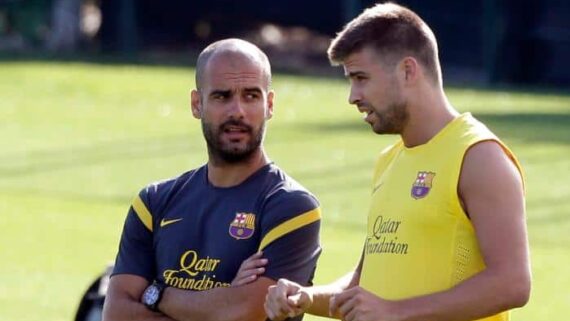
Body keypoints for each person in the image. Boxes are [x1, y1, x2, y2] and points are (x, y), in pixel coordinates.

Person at [264, 3, 531, 321]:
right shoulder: (389, 161)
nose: (353, 95)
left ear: (407, 70)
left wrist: (395, 312)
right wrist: (306, 296)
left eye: (361, 78)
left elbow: (512, 283)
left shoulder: (478, 156)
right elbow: (362, 288)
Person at [102, 38, 322, 321]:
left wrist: (156, 293)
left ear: (269, 104)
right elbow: (117, 313)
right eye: (222, 96)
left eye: (251, 96)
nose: (237, 111)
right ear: (197, 104)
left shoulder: (291, 207)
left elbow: (246, 310)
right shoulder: (154, 203)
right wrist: (224, 297)